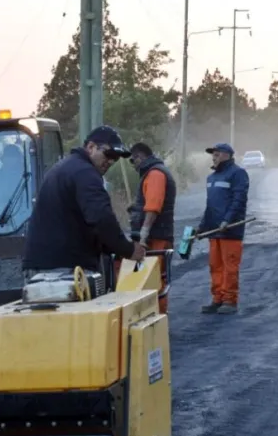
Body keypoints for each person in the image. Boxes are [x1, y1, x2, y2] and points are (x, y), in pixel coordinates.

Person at [22, 125, 146, 281]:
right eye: (108, 154)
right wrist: (128, 250)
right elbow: (101, 218)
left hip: (45, 264)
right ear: (91, 147)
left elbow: (90, 223)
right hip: (62, 269)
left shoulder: (68, 167)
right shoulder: (85, 173)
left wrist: (114, 247)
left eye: (115, 157)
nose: (110, 161)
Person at [197, 143, 250, 315]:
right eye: (213, 154)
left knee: (230, 266)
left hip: (230, 231)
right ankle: (217, 298)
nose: (214, 157)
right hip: (214, 230)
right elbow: (210, 205)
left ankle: (229, 300)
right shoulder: (211, 178)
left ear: (227, 155)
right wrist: (203, 226)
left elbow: (239, 200)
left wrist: (227, 220)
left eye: (217, 154)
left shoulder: (238, 174)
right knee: (215, 266)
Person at [126, 142, 177, 313]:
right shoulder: (154, 172)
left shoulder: (155, 174)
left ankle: (158, 316)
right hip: (157, 234)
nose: (133, 165)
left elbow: (153, 207)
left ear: (140, 157)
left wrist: (143, 234)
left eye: (132, 161)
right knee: (151, 277)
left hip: (156, 237)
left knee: (153, 278)